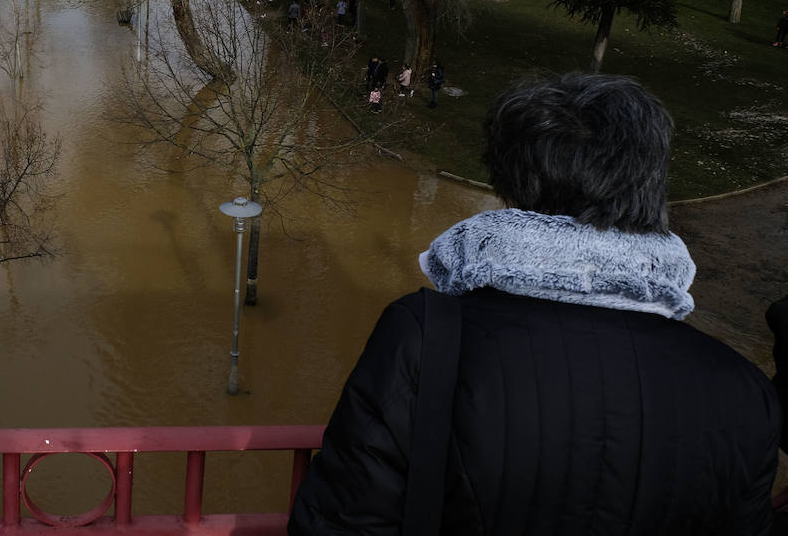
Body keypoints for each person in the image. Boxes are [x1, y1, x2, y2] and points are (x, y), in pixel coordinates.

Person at [290, 73, 780, 536]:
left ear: (513, 186)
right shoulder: (744, 389)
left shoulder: (425, 336)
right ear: (649, 187)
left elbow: (342, 520)